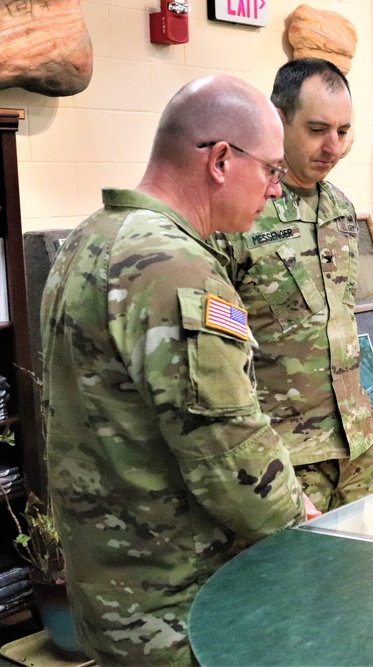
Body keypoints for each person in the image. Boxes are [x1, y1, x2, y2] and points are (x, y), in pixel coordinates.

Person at [41, 75, 317, 666]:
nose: (275, 189)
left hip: (110, 593)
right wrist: (301, 519)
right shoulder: (177, 268)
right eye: (270, 169)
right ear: (221, 160)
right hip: (181, 607)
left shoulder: (88, 238)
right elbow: (229, 457)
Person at [213, 58, 373, 512]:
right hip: (285, 455)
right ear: (277, 118)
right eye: (317, 129)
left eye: (344, 131)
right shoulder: (239, 212)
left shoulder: (340, 209)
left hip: (356, 443)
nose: (333, 146)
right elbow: (218, 351)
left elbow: (340, 320)